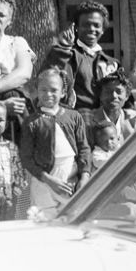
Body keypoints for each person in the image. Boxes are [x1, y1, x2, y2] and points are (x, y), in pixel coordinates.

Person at [19, 68, 92, 220]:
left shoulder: (74, 117)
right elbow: (26, 158)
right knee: (43, 222)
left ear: (63, 92)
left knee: (70, 220)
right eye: (43, 90)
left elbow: (84, 149)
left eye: (53, 90)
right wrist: (48, 180)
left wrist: (84, 177)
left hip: (70, 181)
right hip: (43, 182)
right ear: (37, 91)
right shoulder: (32, 122)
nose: (48, 94)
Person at [42, 0, 121, 111]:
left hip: (106, 117)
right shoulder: (65, 54)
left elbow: (122, 92)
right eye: (86, 25)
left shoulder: (112, 63)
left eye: (96, 25)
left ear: (103, 29)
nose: (91, 29)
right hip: (75, 116)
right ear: (76, 27)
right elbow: (50, 78)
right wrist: (64, 48)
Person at [85, 70, 136, 149]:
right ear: (100, 95)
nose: (114, 96)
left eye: (119, 91)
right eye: (107, 91)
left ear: (127, 96)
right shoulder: (88, 120)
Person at [0, 0, 34, 124]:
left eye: (1, 15)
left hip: (13, 102)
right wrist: (1, 106)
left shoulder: (16, 43)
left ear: (9, 22)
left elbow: (24, 73)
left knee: (15, 96)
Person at [0, 102, 26, 221]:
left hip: (8, 191)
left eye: (0, 120)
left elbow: (18, 167)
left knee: (7, 218)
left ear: (6, 124)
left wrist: (19, 184)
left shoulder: (12, 147)